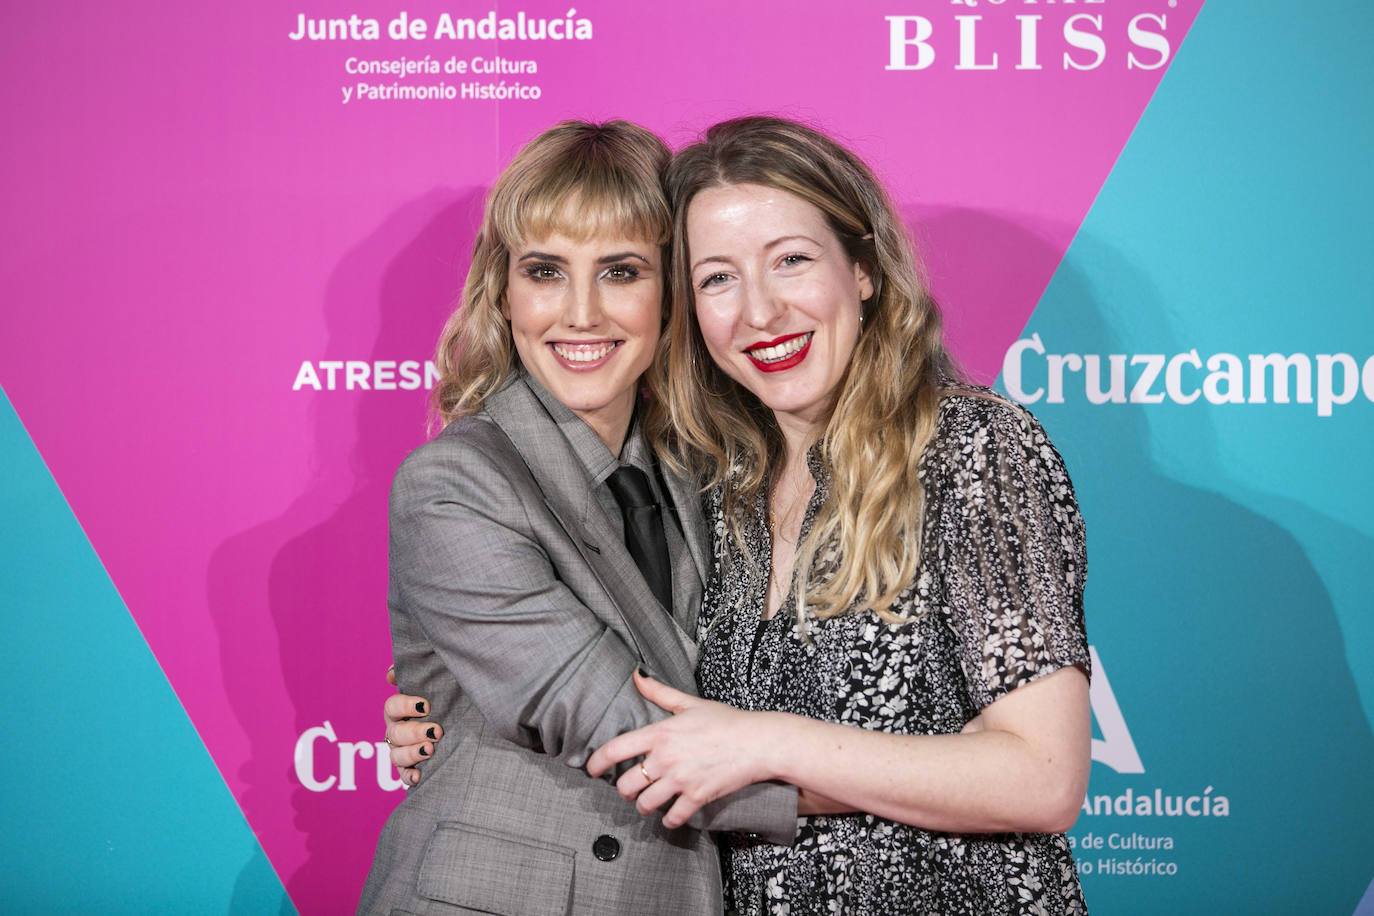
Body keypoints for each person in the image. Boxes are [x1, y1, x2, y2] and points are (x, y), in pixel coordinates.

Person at [390, 116, 1091, 914]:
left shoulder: (967, 447)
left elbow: (1043, 779)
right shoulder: (732, 477)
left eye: (791, 260)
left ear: (862, 270)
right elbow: (636, 731)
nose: (760, 312)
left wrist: (769, 740)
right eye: (719, 277)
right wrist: (452, 708)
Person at [358, 120, 795, 916]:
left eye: (621, 271)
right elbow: (630, 735)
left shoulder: (714, 468)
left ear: (673, 291)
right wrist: (903, 784)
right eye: (547, 271)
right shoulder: (455, 482)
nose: (582, 313)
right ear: (505, 289)